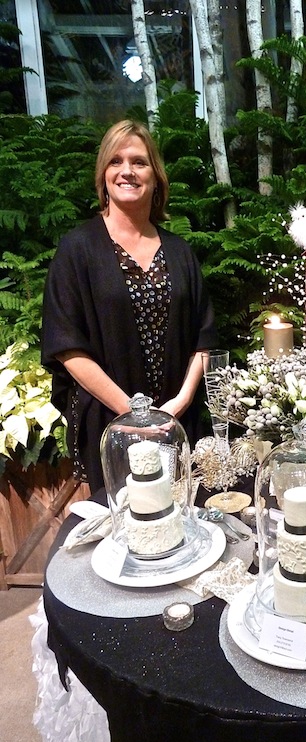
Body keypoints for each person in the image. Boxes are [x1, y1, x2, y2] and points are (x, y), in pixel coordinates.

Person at [42, 120, 218, 492]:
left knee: (183, 512)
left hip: (177, 421)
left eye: (139, 162)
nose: (127, 171)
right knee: (123, 519)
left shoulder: (180, 252)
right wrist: (133, 413)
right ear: (103, 175)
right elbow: (67, 346)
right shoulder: (77, 249)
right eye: (115, 161)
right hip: (111, 424)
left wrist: (180, 403)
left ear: (156, 178)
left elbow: (204, 339)